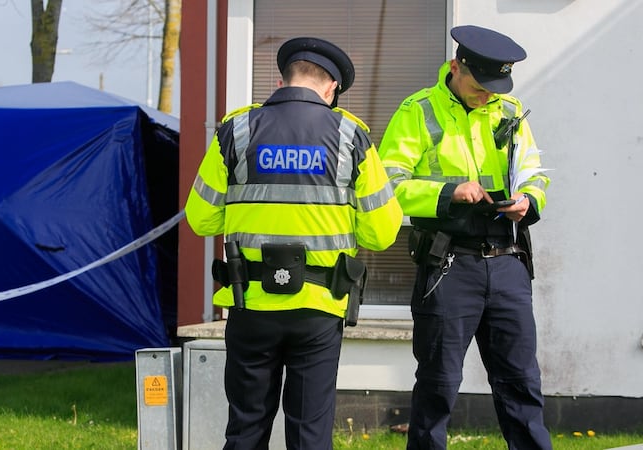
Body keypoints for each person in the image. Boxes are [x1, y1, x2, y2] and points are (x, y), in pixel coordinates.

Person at [185, 36, 403, 449]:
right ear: (331, 88)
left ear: (285, 79)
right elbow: (382, 230)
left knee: (246, 428)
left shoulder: (237, 129)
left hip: (251, 305)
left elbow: (201, 218)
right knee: (309, 432)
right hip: (318, 308)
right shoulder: (350, 135)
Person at [377, 25, 552, 449]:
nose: (486, 95)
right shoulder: (417, 111)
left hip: (508, 261)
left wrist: (528, 200)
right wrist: (446, 192)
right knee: (438, 385)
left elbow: (535, 174)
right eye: (479, 85)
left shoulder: (510, 111)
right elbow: (387, 185)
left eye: (495, 87)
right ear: (457, 67)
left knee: (522, 382)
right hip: (450, 266)